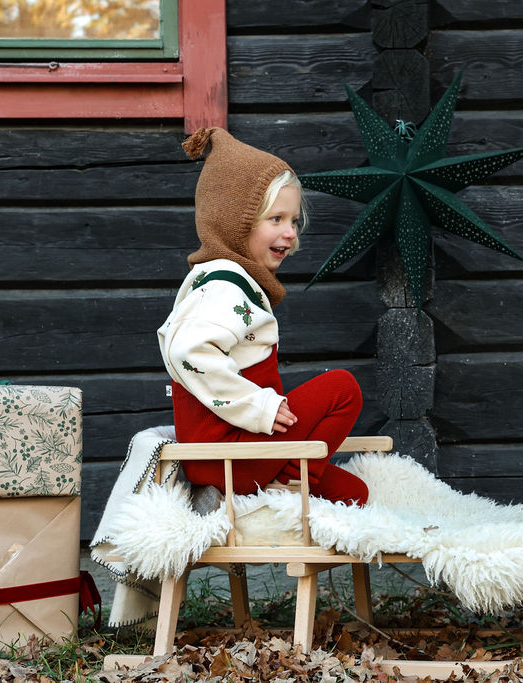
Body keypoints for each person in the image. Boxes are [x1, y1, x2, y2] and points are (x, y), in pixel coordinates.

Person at [157, 127, 368, 505]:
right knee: (342, 388)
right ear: (234, 222)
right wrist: (259, 406)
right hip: (230, 452)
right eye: (276, 219)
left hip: (236, 454)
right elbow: (186, 350)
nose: (290, 233)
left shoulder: (228, 282)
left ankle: (285, 481)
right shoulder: (224, 285)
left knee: (355, 493)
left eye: (294, 221)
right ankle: (288, 486)